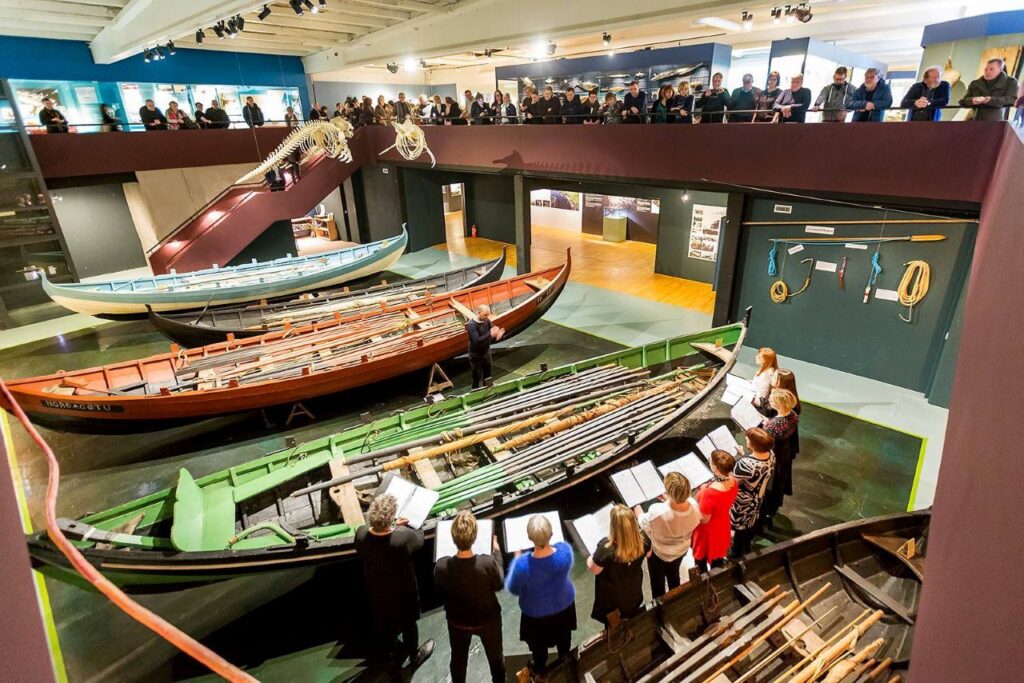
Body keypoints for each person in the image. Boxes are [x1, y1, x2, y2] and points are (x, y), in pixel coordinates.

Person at [354, 494, 434, 673]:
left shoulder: (361, 534)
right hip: (403, 591)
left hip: (377, 589)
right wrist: (402, 527)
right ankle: (414, 654)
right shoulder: (402, 538)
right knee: (409, 623)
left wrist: (394, 527)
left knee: (383, 620)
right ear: (390, 520)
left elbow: (369, 540)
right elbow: (419, 538)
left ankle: (391, 652)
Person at [434, 510, 505, 683]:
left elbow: (440, 592)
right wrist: (497, 553)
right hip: (487, 620)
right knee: (496, 658)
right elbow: (499, 584)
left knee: (458, 660)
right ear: (474, 537)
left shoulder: (442, 566)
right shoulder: (487, 562)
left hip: (458, 622)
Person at [505, 515, 576, 675]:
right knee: (564, 643)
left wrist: (517, 559)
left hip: (536, 617)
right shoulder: (565, 553)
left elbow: (514, 588)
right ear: (551, 534)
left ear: (529, 538)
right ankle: (565, 668)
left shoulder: (522, 565)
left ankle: (540, 671)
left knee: (539, 651)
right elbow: (560, 547)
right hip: (564, 610)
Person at [635, 471, 701, 599]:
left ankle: (660, 602)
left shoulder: (657, 511)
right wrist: (669, 500)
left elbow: (642, 521)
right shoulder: (695, 507)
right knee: (673, 574)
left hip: (660, 553)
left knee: (657, 581)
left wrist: (636, 505)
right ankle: (675, 596)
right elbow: (680, 509)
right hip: (681, 550)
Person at [588, 504, 651, 627]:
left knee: (613, 627)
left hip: (613, 603)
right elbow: (649, 554)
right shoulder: (643, 540)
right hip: (633, 593)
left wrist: (590, 557)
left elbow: (594, 569)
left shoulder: (606, 548)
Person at [729, 427, 776, 559]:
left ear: (753, 444)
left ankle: (736, 554)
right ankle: (746, 544)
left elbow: (732, 482)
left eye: (747, 439)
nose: (746, 439)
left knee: (740, 530)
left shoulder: (744, 464)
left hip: (742, 503)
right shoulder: (771, 454)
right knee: (749, 525)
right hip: (757, 498)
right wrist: (744, 454)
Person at [692, 450, 738, 573]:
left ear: (715, 468)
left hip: (708, 532)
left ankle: (703, 579)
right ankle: (717, 576)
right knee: (717, 559)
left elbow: (704, 520)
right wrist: (704, 487)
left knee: (700, 561)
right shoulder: (733, 480)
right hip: (722, 524)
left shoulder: (708, 493)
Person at [760, 388, 799, 523]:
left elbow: (765, 441)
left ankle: (766, 510)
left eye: (772, 401)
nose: (769, 402)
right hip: (785, 453)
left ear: (779, 405)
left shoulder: (773, 425)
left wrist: (764, 426)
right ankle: (773, 508)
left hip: (774, 455)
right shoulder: (793, 414)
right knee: (779, 482)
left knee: (771, 484)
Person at [960, 57, 1020, 122]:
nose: (987, 72)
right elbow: (963, 102)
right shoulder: (975, 83)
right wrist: (972, 100)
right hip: (974, 120)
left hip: (997, 122)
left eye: (991, 69)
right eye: (986, 69)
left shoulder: (1011, 82)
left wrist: (991, 100)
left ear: (1000, 69)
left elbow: (1012, 99)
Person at [467, 304, 504, 388]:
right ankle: (475, 392)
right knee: (477, 376)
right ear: (479, 313)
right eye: (485, 315)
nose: (487, 317)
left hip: (486, 352)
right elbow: (476, 340)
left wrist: (498, 334)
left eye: (488, 315)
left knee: (488, 375)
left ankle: (489, 390)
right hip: (476, 355)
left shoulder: (487, 321)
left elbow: (492, 331)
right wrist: (490, 334)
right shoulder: (472, 325)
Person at [752, 347, 779, 411]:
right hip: (756, 396)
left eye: (760, 357)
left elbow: (762, 394)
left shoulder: (766, 374)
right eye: (758, 355)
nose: (756, 357)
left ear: (766, 360)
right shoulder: (766, 369)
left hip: (758, 401)